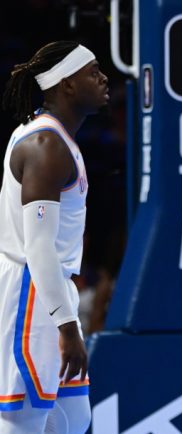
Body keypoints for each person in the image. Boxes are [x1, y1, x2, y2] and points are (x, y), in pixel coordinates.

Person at [0, 41, 108, 433]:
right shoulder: (46, 145)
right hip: (32, 294)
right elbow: (38, 246)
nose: (104, 78)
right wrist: (67, 326)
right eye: (93, 72)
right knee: (22, 419)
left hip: (51, 290)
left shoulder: (56, 138)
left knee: (74, 419)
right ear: (66, 84)